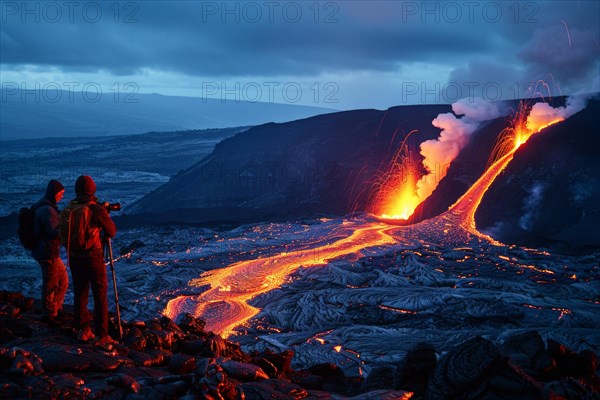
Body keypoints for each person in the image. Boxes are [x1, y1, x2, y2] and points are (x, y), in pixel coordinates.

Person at [63, 175, 117, 345]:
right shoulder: (95, 209)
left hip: (74, 257)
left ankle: (83, 330)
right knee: (100, 294)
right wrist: (104, 216)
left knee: (80, 292)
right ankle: (103, 335)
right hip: (92, 257)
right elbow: (112, 231)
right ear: (92, 190)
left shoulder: (70, 208)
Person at [32, 179, 69, 325]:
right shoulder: (47, 210)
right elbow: (54, 232)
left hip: (48, 251)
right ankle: (50, 313)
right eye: (61, 193)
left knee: (62, 280)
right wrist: (66, 224)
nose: (62, 196)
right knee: (51, 282)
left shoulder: (45, 206)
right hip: (47, 252)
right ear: (54, 193)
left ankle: (56, 308)